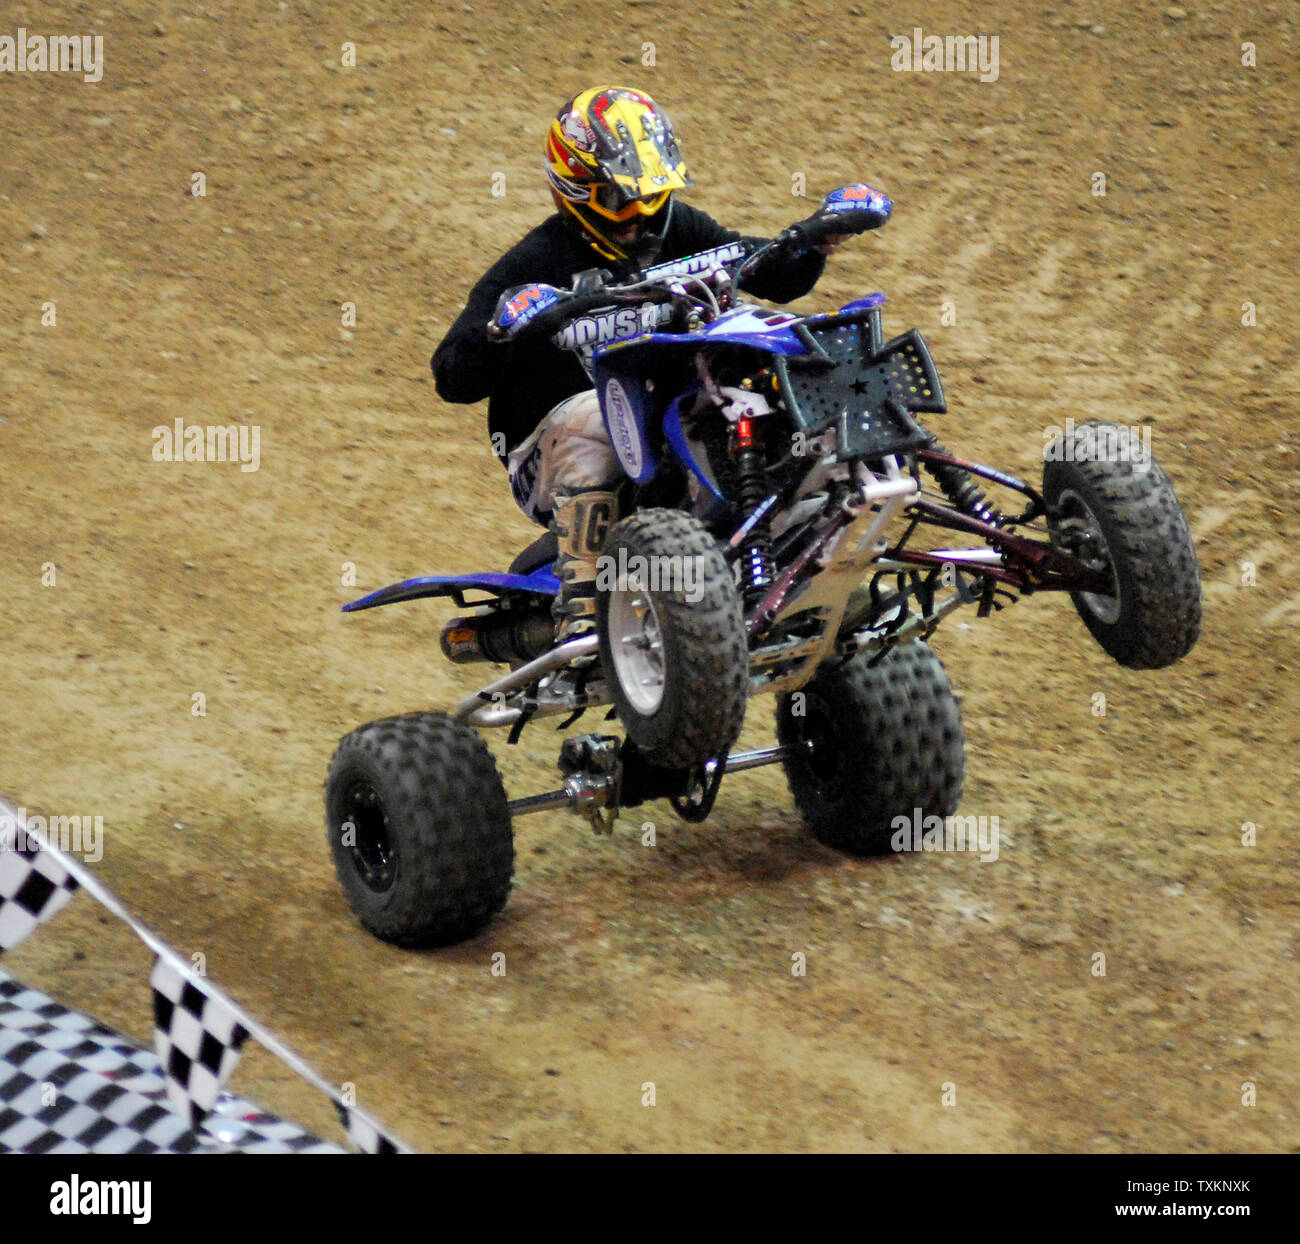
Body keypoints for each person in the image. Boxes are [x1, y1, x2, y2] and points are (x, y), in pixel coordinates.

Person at [432, 85, 847, 639]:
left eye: (648, 194)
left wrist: (814, 240)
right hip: (548, 449)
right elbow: (452, 378)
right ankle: (578, 610)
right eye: (618, 199)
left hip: (667, 416)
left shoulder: (679, 229)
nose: (638, 215)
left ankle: (820, 538)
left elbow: (765, 272)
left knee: (775, 377)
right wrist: (501, 330)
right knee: (596, 416)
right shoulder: (534, 263)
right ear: (574, 189)